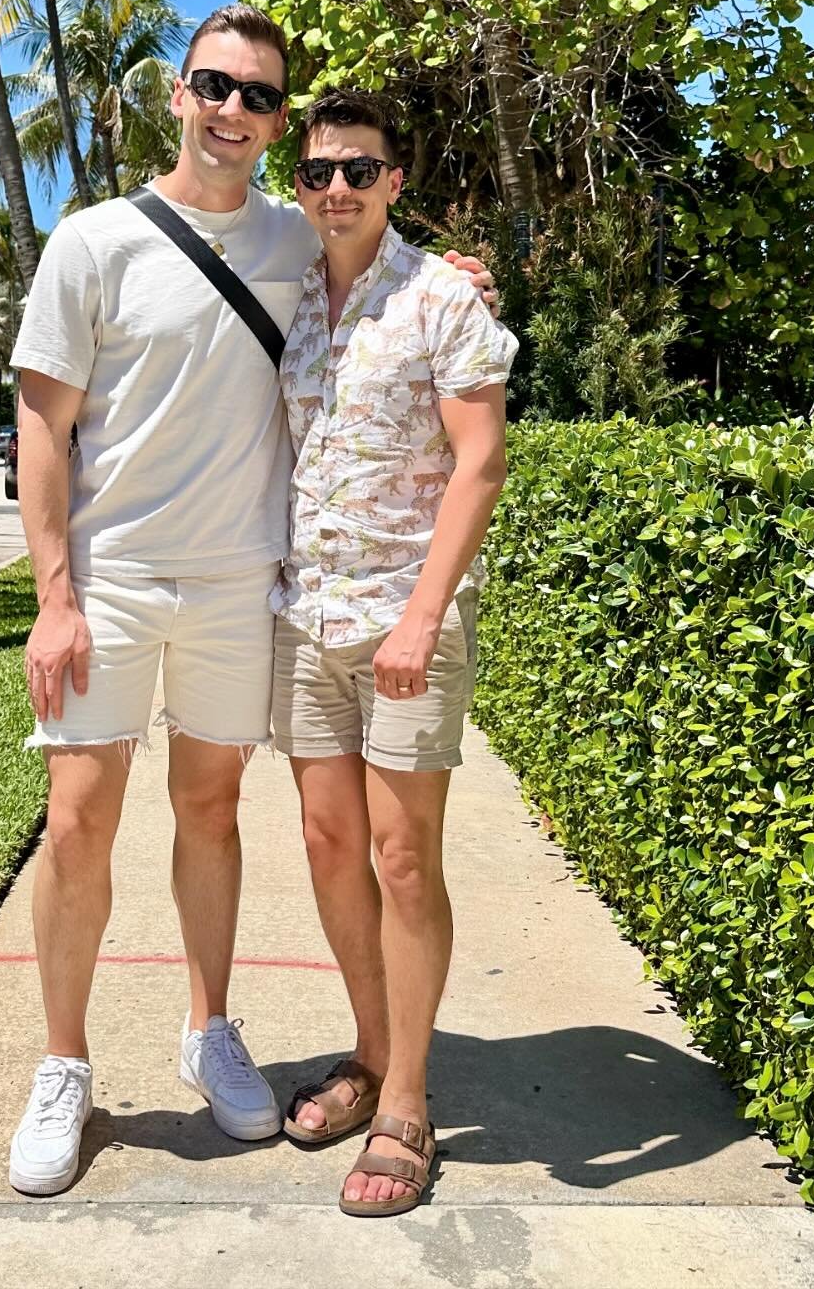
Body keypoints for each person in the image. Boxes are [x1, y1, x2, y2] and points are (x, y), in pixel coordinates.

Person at [5, 6, 493, 1197]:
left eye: (261, 98)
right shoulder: (94, 241)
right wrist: (53, 594)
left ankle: (211, 1028)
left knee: (212, 810)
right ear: (177, 94)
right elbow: (41, 423)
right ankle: (63, 1066)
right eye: (216, 86)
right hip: (113, 580)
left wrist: (454, 269)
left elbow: (378, 256)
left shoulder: (294, 233)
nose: (237, 112)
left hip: (240, 586)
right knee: (78, 821)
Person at [270, 89, 518, 1218]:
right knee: (330, 848)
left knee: (403, 858)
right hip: (302, 618)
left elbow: (480, 463)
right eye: (318, 171)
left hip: (403, 622)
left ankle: (407, 1101)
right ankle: (371, 1049)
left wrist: (424, 614)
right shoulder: (285, 293)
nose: (336, 189)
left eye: (359, 171)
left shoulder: (439, 299)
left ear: (394, 183)